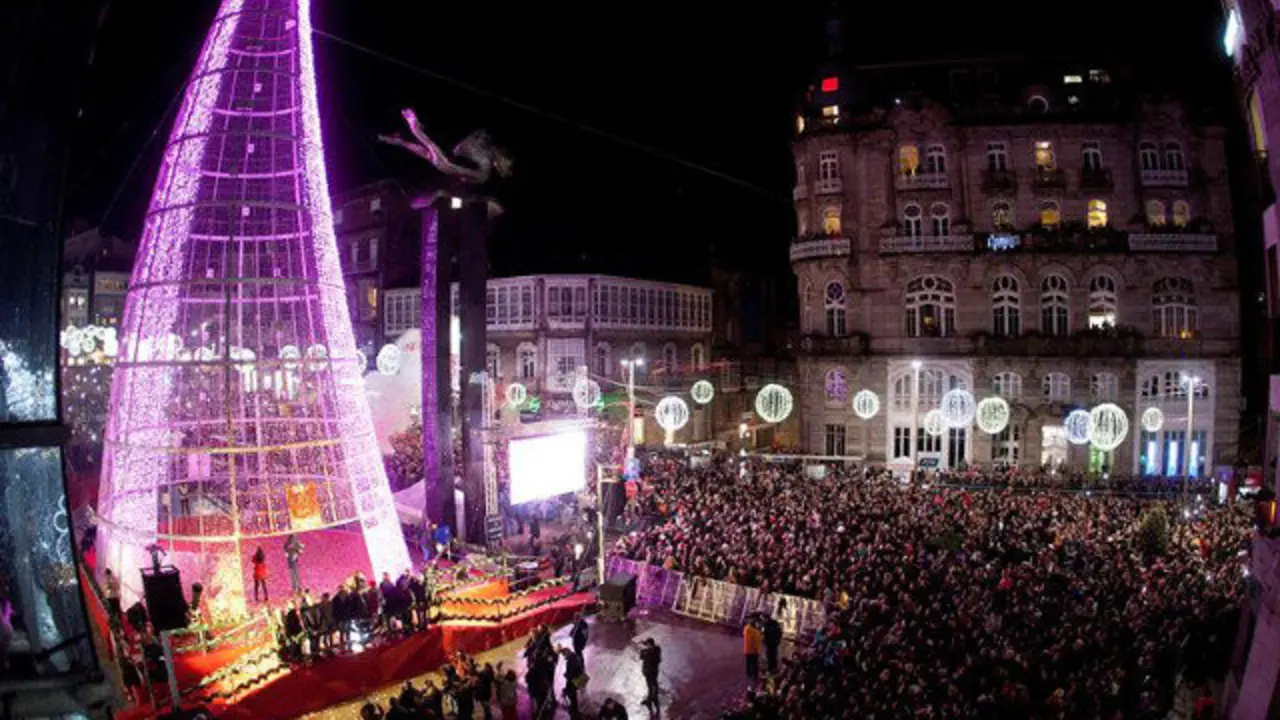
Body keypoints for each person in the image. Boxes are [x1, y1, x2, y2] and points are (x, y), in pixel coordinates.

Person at [562, 647, 587, 717]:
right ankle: (575, 709)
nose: (564, 656)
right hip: (576, 679)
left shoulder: (572, 660)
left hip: (575, 680)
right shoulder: (574, 657)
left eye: (564, 655)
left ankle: (575, 711)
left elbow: (572, 672)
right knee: (574, 696)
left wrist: (566, 675)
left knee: (573, 696)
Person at [638, 638, 662, 712]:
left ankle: (651, 701)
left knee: (650, 687)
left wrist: (642, 651)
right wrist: (644, 643)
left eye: (647, 644)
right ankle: (654, 699)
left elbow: (641, 657)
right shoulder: (657, 649)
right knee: (654, 685)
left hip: (650, 672)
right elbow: (650, 646)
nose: (646, 645)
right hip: (653, 671)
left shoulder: (648, 653)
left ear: (650, 644)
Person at [742, 617, 762, 682]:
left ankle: (749, 673)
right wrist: (757, 650)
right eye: (758, 623)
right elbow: (756, 642)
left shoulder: (747, 628)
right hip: (753, 650)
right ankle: (755, 676)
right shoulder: (755, 631)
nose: (759, 625)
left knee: (748, 662)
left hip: (747, 649)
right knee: (754, 663)